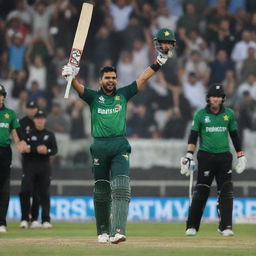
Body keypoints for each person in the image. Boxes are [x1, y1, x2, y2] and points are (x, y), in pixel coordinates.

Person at [62, 28, 176, 244]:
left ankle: (118, 231)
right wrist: (70, 75)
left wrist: (159, 61)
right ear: (101, 79)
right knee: (102, 191)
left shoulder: (123, 94)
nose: (111, 80)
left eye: (114, 77)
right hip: (99, 146)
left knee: (122, 187)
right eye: (108, 78)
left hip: (119, 145)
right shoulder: (94, 97)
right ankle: (103, 231)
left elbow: (143, 78)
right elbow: (77, 87)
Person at [180, 83, 247, 237]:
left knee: (226, 191)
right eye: (213, 96)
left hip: (224, 158)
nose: (216, 99)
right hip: (206, 157)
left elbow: (234, 136)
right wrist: (189, 155)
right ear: (208, 98)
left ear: (223, 98)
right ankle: (192, 226)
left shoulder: (228, 114)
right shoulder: (200, 115)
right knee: (201, 191)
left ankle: (225, 227)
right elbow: (193, 136)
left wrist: (240, 155)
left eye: (219, 96)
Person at [19, 110, 58, 229]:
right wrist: (36, 150)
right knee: (26, 191)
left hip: (44, 166)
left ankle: (45, 219)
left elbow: (55, 150)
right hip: (30, 166)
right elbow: (24, 150)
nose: (40, 121)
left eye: (42, 118)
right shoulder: (29, 134)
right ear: (34, 120)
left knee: (43, 193)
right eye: (37, 119)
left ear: (45, 120)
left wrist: (47, 150)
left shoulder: (49, 134)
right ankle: (25, 218)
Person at [0, 84, 28, 233]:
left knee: (4, 187)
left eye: (2, 95)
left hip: (4, 152)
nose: (1, 98)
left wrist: (21, 145)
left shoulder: (9, 114)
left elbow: (16, 134)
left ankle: (1, 222)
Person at [17, 101, 41, 229]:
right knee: (25, 190)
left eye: (34, 108)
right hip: (27, 161)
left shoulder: (40, 122)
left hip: (40, 161)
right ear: (27, 109)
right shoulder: (22, 122)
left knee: (37, 190)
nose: (32, 110)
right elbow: (19, 140)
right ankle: (24, 218)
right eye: (30, 108)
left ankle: (35, 218)